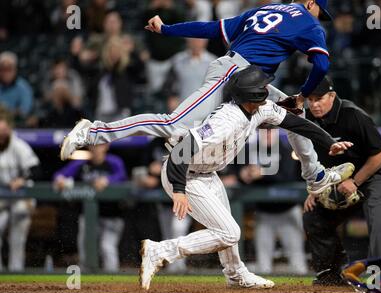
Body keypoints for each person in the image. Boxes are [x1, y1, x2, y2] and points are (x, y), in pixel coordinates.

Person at [60, 0, 348, 197]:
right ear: (310, 3)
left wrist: (168, 29)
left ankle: (315, 175)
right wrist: (304, 94)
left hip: (248, 80)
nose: (319, 18)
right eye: (319, 11)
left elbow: (211, 28)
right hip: (233, 75)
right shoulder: (310, 24)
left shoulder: (264, 10)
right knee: (172, 125)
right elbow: (321, 65)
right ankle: (93, 131)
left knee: (295, 115)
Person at [139, 65, 354, 290]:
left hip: (207, 173)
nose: (265, 89)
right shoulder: (225, 120)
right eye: (261, 87)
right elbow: (181, 151)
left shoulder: (260, 108)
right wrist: (179, 190)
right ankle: (160, 251)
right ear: (252, 96)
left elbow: (296, 123)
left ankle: (235, 275)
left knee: (226, 228)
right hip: (184, 174)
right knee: (229, 233)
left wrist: (329, 142)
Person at [301, 76, 381, 286]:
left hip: (374, 175)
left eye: (319, 98)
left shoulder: (353, 115)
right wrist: (316, 189)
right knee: (313, 215)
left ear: (332, 96)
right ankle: (331, 273)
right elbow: (314, 159)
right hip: (336, 177)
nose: (314, 104)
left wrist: (356, 181)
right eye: (310, 99)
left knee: (379, 220)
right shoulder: (308, 118)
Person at [239, 127, 308, 275]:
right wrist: (243, 175)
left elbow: (287, 176)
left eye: (271, 130)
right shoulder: (252, 150)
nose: (268, 134)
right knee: (263, 266)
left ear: (277, 131)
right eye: (264, 130)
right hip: (264, 213)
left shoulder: (286, 148)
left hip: (288, 211)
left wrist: (263, 174)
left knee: (298, 264)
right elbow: (238, 172)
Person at [53, 144, 127, 272]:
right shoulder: (82, 164)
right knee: (85, 247)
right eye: (93, 146)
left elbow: (123, 176)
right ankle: (87, 282)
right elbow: (59, 175)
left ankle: (113, 280)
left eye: (99, 145)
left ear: (106, 146)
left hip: (112, 215)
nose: (95, 149)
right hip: (89, 216)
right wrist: (59, 179)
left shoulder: (114, 162)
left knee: (107, 247)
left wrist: (108, 180)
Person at [0, 109, 40, 271]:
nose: (1, 136)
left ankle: (16, 271)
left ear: (9, 129)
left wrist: (22, 180)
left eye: (3, 131)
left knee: (18, 238)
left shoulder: (19, 146)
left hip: (20, 197)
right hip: (1, 198)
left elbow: (37, 170)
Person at [0, 52, 34, 126]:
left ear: (15, 70)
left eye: (9, 69)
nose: (6, 73)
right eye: (3, 69)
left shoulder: (23, 87)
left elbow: (24, 111)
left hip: (18, 125)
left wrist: (6, 113)